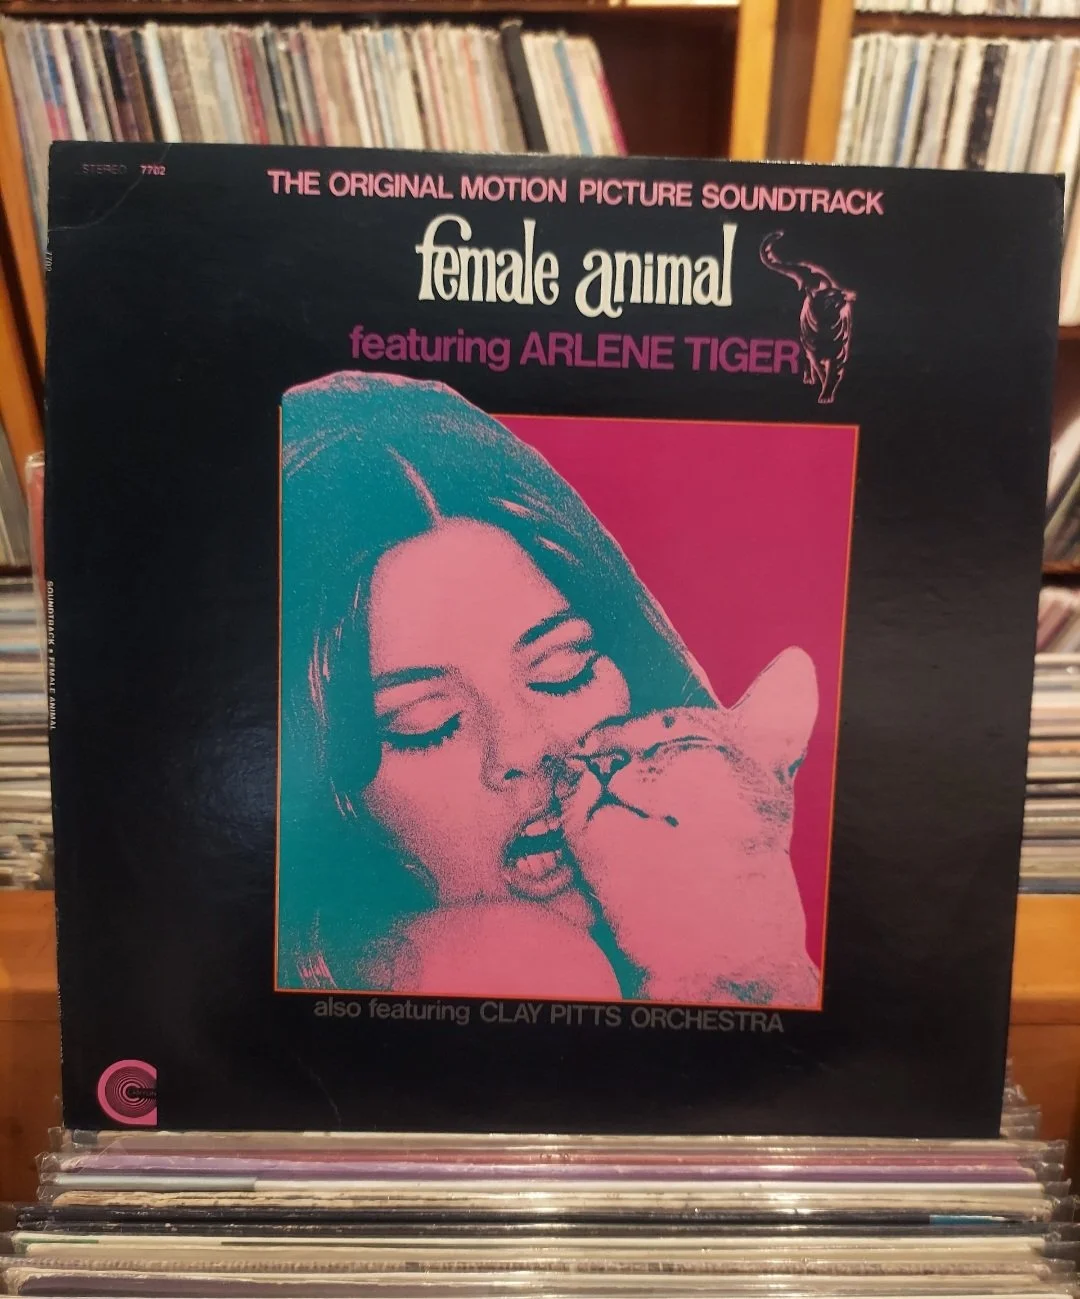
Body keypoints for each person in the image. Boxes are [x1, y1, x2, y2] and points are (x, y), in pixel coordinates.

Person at [279, 371, 820, 1007]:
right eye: (424, 722)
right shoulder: (526, 960)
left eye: (564, 670)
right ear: (320, 787)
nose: (525, 749)